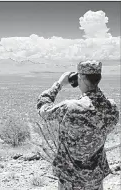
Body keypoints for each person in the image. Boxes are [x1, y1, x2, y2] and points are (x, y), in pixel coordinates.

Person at [36, 60, 119, 190]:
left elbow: (43, 109)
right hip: (96, 179)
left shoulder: (70, 107)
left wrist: (59, 84)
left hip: (71, 180)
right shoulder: (112, 108)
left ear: (80, 78)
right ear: (99, 78)